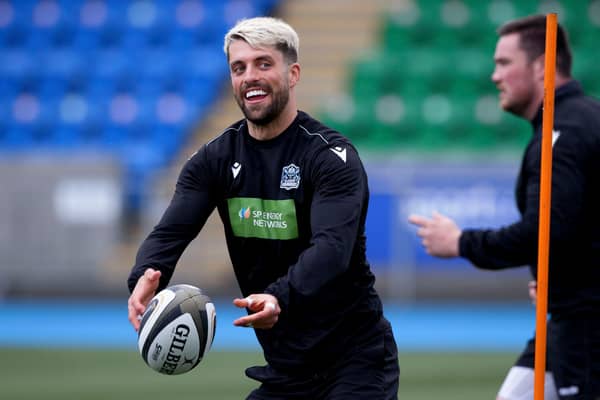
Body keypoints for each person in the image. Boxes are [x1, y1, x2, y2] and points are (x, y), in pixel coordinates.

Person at [127, 16, 399, 399]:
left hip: (356, 361)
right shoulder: (213, 159)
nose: (250, 76)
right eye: (239, 68)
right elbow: (170, 232)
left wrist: (278, 296)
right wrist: (145, 274)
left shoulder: (330, 157)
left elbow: (332, 249)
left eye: (263, 64)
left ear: (293, 73)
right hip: (286, 369)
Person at [408, 15, 600, 400]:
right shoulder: (580, 120)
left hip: (586, 324)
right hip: (570, 310)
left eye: (504, 63)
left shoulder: (564, 133)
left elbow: (544, 232)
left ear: (541, 66)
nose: (495, 76)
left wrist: (461, 242)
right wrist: (567, 275)